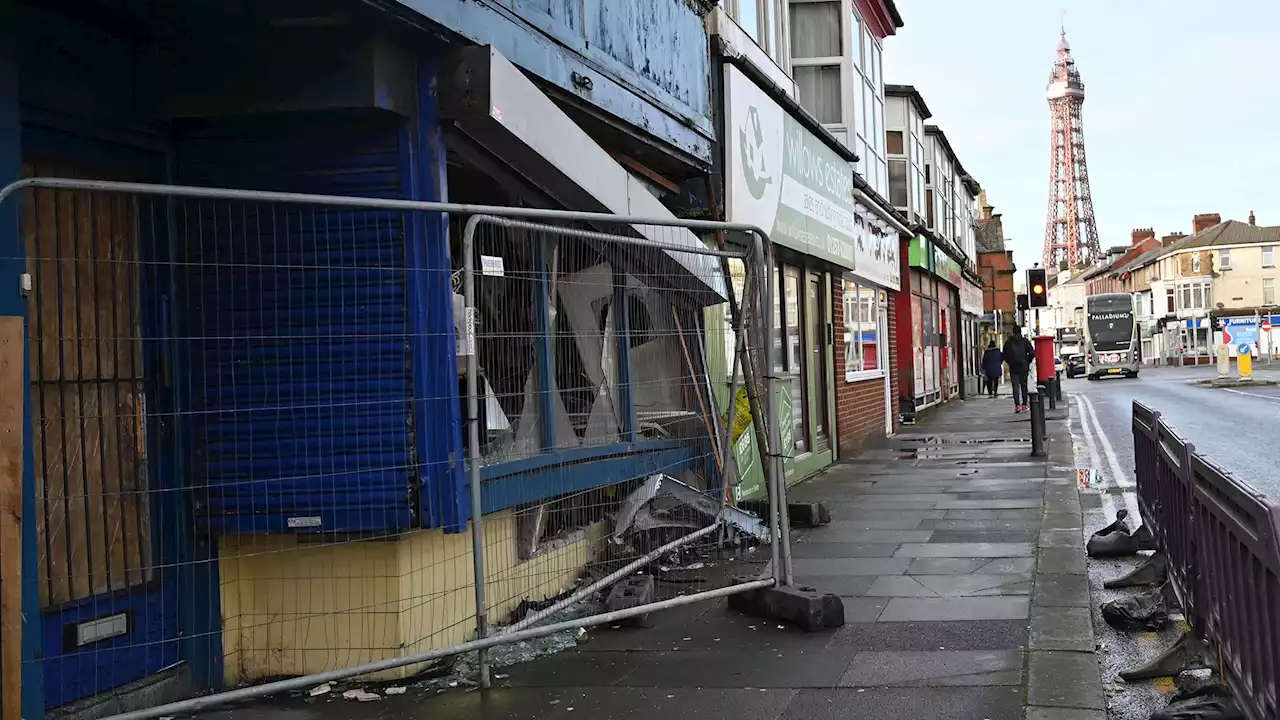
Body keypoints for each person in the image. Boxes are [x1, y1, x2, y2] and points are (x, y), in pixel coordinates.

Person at [1002, 327, 1036, 413]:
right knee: (1024, 386)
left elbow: (1004, 355)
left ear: (1013, 332)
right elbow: (1032, 353)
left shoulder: (1009, 342)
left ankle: (1017, 406)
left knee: (1015, 387)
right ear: (1020, 332)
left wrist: (1010, 362)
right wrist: (1027, 360)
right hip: (1024, 366)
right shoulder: (1025, 341)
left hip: (1013, 367)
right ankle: (1024, 405)